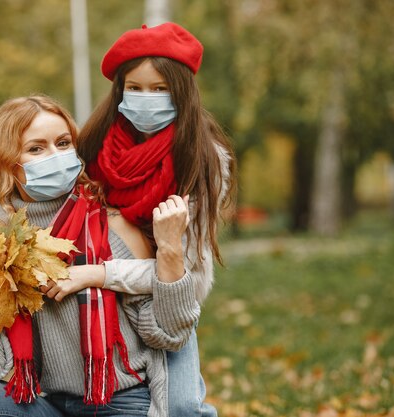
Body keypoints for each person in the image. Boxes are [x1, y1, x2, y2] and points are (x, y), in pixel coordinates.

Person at [0, 95, 198, 417]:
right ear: (7, 161)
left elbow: (170, 333)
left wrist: (170, 251)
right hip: (50, 404)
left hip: (122, 403)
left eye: (63, 143)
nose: (56, 156)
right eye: (36, 148)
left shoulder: (111, 224)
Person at [73, 22, 238, 416]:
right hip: (99, 305)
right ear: (120, 90)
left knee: (180, 408)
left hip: (167, 302)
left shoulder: (203, 158)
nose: (146, 98)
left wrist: (102, 273)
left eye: (160, 89)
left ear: (181, 92)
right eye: (135, 87)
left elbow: (188, 276)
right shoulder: (93, 146)